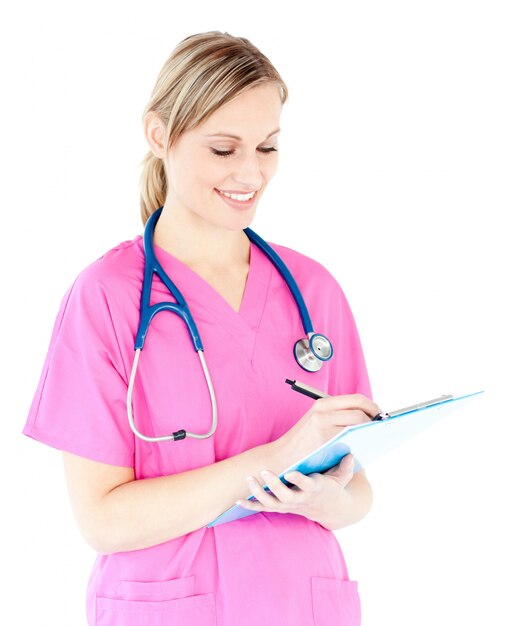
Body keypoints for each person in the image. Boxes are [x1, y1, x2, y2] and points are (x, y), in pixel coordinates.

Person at [23, 30, 382, 626]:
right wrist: (277, 459)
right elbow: (102, 520)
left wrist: (330, 499)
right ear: (159, 135)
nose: (252, 173)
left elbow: (358, 492)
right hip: (170, 607)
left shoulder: (313, 292)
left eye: (267, 148)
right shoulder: (107, 299)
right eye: (224, 149)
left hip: (304, 603)